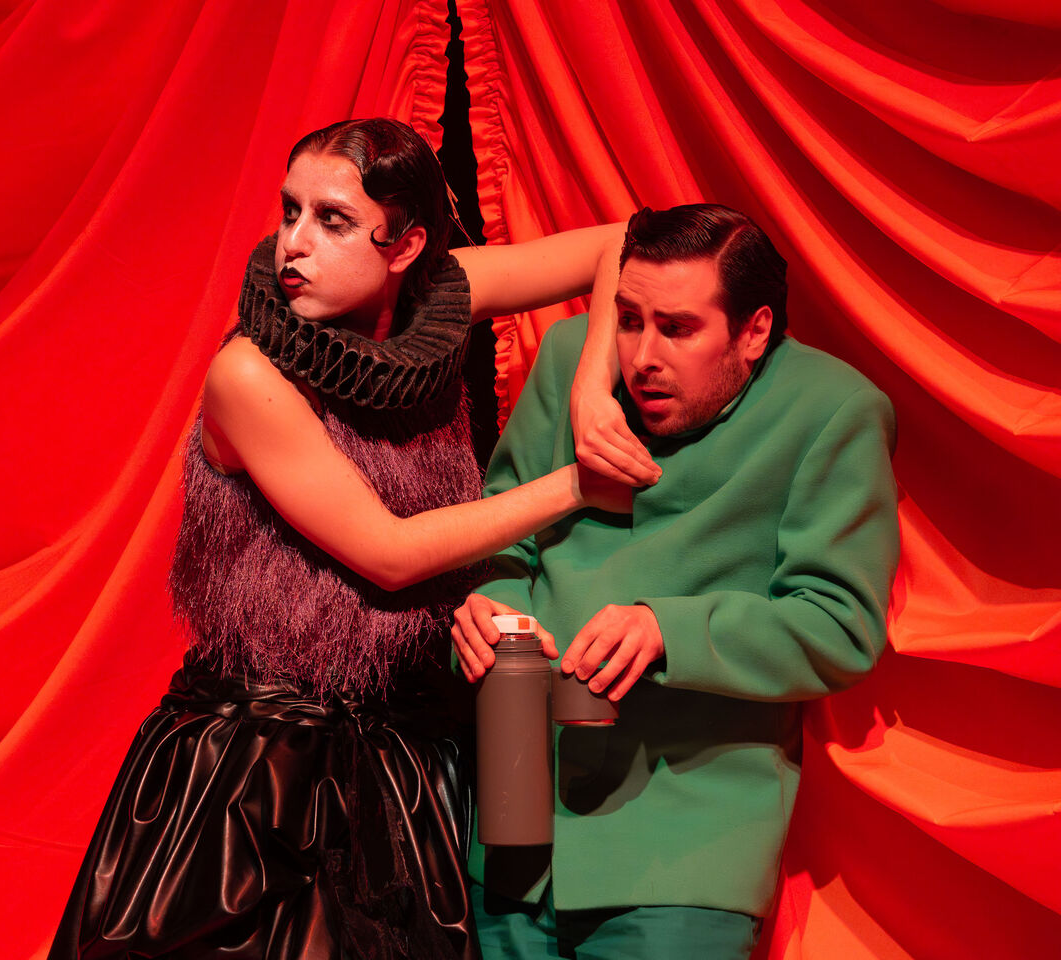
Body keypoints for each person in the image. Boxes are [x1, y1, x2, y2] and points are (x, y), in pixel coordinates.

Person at [49, 117, 631, 960]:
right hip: (253, 773)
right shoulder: (249, 374)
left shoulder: (444, 298)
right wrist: (578, 484)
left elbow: (622, 243)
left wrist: (592, 392)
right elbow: (389, 554)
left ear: (406, 246)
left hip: (402, 760)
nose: (293, 243)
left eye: (332, 220)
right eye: (291, 211)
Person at [451, 203, 900, 960]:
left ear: (754, 331)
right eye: (629, 320)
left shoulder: (833, 411)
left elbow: (839, 626)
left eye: (678, 328)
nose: (642, 356)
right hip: (515, 829)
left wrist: (669, 630)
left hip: (680, 854)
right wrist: (491, 605)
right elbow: (504, 533)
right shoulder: (573, 363)